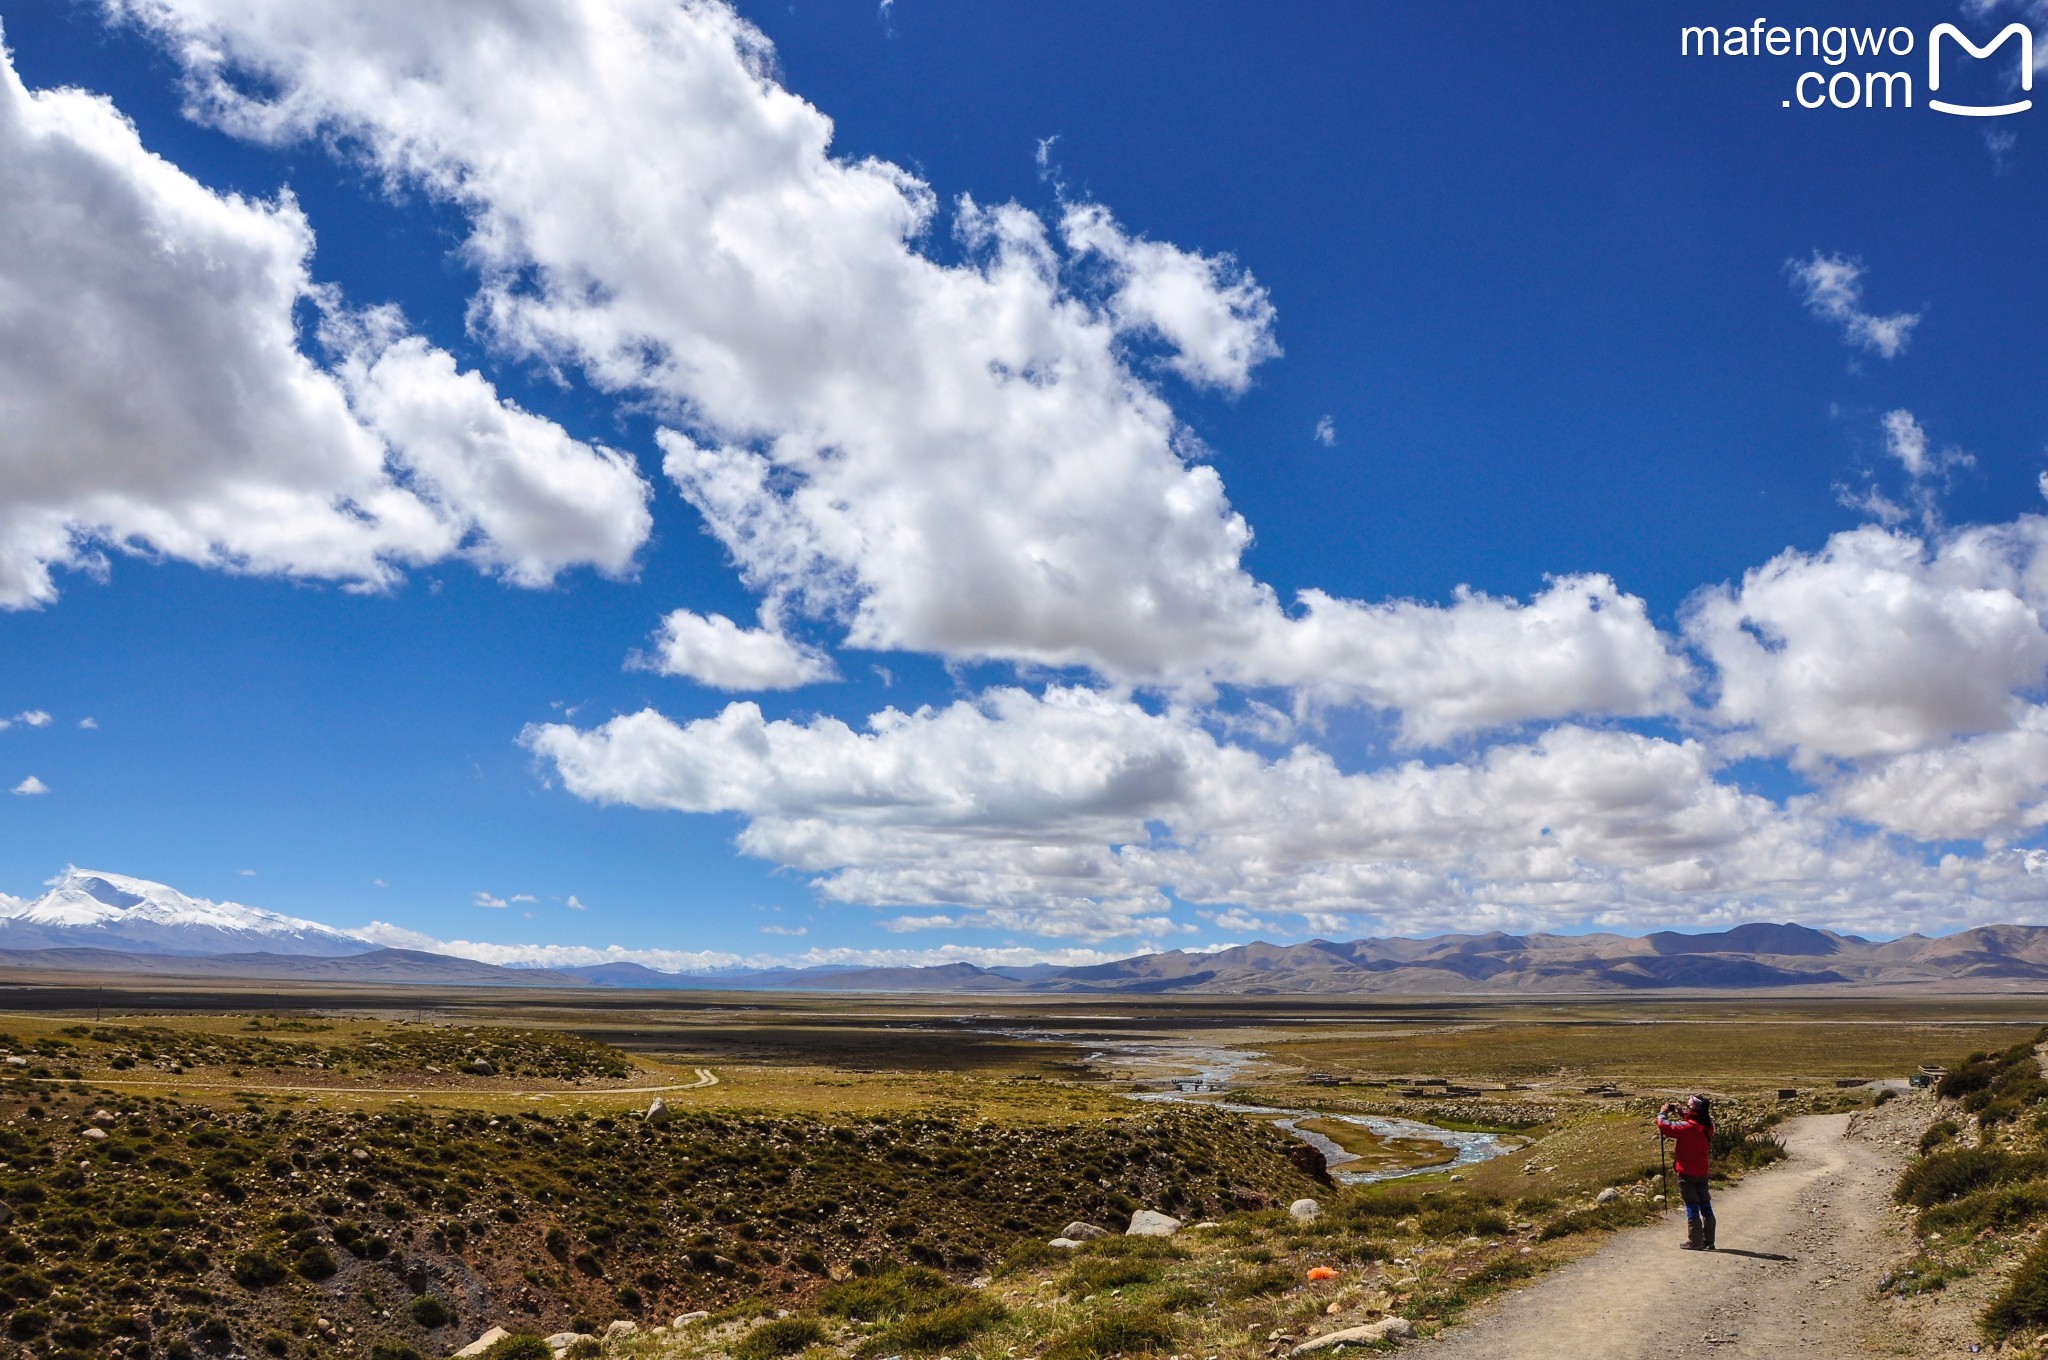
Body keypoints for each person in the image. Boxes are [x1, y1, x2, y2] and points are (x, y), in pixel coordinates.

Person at [1657, 1094, 1715, 1250]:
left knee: (1692, 1205)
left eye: (1689, 1107)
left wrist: (1662, 1113)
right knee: (1705, 1204)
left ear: (1693, 1109)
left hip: (1686, 1172)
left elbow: (1665, 1127)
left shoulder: (1686, 1128)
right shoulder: (1709, 1125)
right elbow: (1695, 1123)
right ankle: (1709, 1239)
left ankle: (1695, 1241)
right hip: (1702, 1170)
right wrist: (1682, 1113)